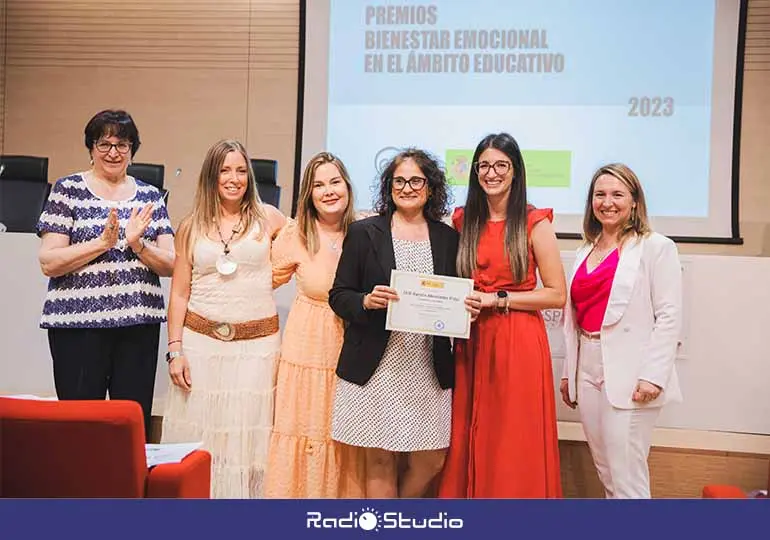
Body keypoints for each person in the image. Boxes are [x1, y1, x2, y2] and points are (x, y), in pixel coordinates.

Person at [329, 148, 481, 499]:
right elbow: (339, 294)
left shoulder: (447, 238)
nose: (407, 187)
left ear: (430, 187)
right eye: (399, 180)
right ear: (389, 186)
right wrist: (365, 301)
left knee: (431, 460)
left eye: (416, 180)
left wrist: (466, 309)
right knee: (380, 461)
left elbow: (457, 295)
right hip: (376, 366)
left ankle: (399, 517)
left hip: (427, 367)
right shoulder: (365, 232)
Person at [438, 132, 566, 498]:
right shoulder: (462, 221)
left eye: (501, 166)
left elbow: (557, 295)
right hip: (472, 340)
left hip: (518, 341)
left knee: (512, 435)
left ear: (515, 171)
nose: (491, 173)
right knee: (470, 429)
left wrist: (499, 299)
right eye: (484, 166)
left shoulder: (534, 222)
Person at [36, 109, 174, 441]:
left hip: (137, 327)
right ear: (91, 147)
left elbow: (170, 264)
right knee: (79, 426)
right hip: (78, 327)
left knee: (132, 423)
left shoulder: (150, 196)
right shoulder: (67, 190)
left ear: (133, 149)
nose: (113, 152)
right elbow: (49, 262)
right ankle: (79, 490)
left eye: (122, 145)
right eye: (104, 144)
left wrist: (136, 243)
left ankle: (126, 491)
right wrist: (102, 243)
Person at [161, 139, 286, 499]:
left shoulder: (270, 218)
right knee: (201, 437)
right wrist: (175, 351)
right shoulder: (190, 226)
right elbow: (180, 293)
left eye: (241, 170)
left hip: (257, 350)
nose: (234, 178)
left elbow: (308, 242)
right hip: (200, 347)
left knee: (248, 441)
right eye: (225, 170)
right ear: (211, 176)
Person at [560, 163, 682, 499]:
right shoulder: (585, 249)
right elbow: (574, 318)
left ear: (635, 202)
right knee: (606, 470)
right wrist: (568, 373)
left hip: (632, 371)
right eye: (600, 194)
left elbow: (669, 315)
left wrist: (653, 375)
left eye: (617, 194)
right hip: (588, 365)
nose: (607, 202)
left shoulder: (656, 247)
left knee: (627, 473)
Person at [264, 152, 366, 498]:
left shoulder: (366, 231)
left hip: (353, 349)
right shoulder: (296, 234)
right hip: (306, 349)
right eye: (318, 185)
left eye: (335, 182)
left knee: (345, 436)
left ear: (348, 186)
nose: (328, 191)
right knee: (304, 432)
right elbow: (262, 282)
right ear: (308, 193)